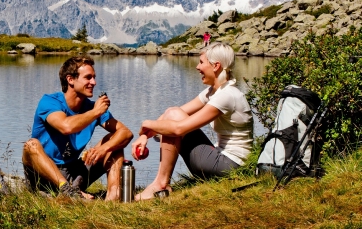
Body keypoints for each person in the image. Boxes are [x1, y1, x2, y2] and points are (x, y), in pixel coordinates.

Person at [131, 42, 253, 200]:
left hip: (230, 166)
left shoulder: (226, 96)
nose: (197, 67)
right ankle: (161, 183)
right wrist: (144, 136)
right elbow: (172, 113)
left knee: (174, 121)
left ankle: (160, 184)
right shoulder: (214, 92)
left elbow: (179, 129)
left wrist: (147, 123)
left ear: (216, 66)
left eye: (201, 62)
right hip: (223, 159)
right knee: (172, 113)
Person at [22, 56, 133, 200]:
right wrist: (95, 113)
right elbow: (66, 126)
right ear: (70, 80)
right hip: (44, 174)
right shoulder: (50, 102)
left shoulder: (93, 107)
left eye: (94, 77)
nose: (94, 82)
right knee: (31, 145)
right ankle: (66, 190)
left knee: (115, 142)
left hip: (74, 171)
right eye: (88, 77)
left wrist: (103, 149)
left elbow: (126, 133)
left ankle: (113, 195)